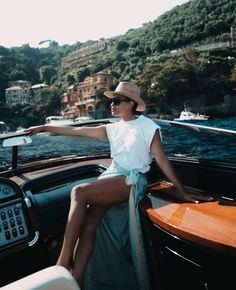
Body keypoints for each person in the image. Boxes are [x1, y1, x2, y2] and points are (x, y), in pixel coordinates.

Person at [26, 81, 212, 289]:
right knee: (89, 223)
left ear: (131, 104)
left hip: (132, 179)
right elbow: (76, 131)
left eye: (116, 101)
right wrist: (43, 127)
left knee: (79, 192)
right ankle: (76, 280)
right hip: (111, 176)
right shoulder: (113, 128)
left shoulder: (148, 126)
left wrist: (182, 191)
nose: (111, 105)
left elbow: (161, 160)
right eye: (111, 101)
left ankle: (62, 263)